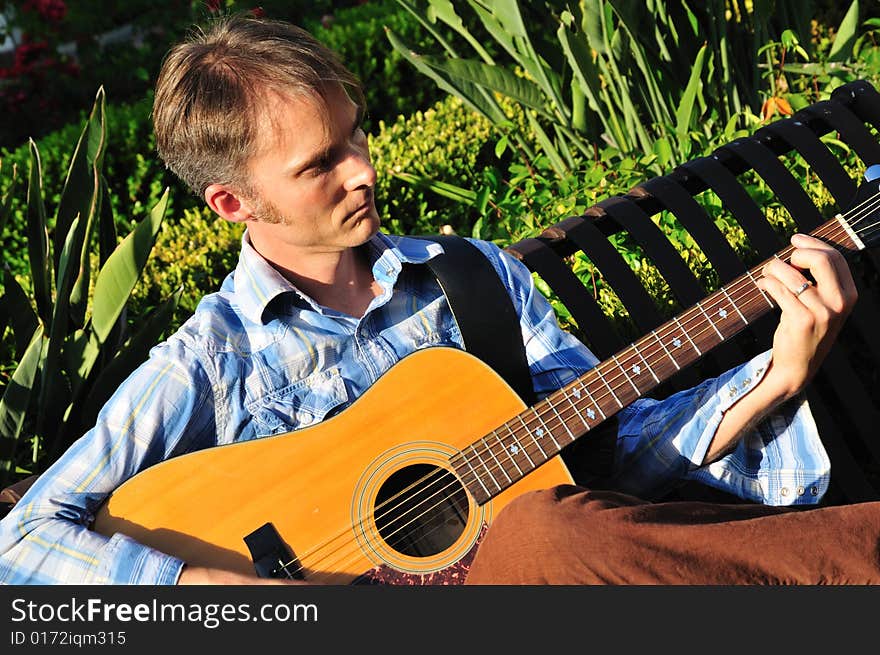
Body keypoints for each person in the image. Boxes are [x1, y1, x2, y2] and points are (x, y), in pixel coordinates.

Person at [0, 14, 878, 585]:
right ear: (233, 203)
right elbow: (23, 539)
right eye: (321, 163)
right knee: (545, 536)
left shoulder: (472, 279)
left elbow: (611, 453)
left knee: (547, 526)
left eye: (356, 135)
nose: (365, 170)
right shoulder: (211, 360)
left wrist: (776, 375)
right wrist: (211, 592)